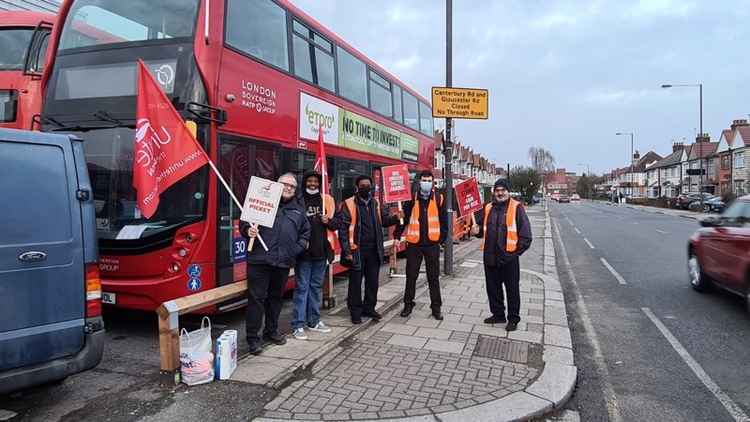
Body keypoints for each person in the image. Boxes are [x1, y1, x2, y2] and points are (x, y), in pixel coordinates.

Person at [240, 173, 310, 354]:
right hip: (259, 261)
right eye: (284, 184)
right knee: (256, 300)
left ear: (295, 190)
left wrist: (295, 250)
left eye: (292, 186)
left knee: (275, 299)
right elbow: (244, 224)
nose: (288, 188)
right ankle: (253, 339)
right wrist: (249, 230)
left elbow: (305, 234)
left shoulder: (299, 210)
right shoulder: (262, 202)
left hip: (283, 262)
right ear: (276, 185)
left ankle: (271, 331)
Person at [337, 175, 403, 324]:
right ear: (357, 188)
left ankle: (369, 308)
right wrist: (346, 251)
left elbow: (385, 221)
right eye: (363, 186)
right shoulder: (348, 204)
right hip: (356, 250)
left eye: (368, 185)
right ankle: (355, 312)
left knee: (373, 282)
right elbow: (343, 229)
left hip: (374, 250)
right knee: (355, 283)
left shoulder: (376, 203)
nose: (366, 188)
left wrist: (396, 218)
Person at [471, 178, 532, 331]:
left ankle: (513, 319)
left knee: (512, 290)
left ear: (508, 191)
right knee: (493, 288)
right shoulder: (488, 207)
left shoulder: (517, 207)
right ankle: (498, 314)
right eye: (497, 190)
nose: (500, 193)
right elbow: (481, 230)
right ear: (494, 192)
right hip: (490, 257)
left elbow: (526, 236)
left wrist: (514, 254)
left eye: (503, 190)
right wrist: (475, 231)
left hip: (509, 258)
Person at [291, 170, 340, 340]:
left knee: (315, 288)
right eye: (309, 181)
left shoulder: (327, 200)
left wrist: (330, 221)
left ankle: (314, 321)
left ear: (320, 183)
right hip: (303, 254)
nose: (313, 184)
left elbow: (337, 224)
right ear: (304, 183)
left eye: (315, 181)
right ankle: (298, 325)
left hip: (321, 253)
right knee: (302, 289)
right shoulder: (297, 201)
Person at [393, 170, 447, 320]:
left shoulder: (438, 198)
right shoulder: (411, 199)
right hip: (414, 244)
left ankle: (436, 308)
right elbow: (402, 220)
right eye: (424, 180)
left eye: (429, 181)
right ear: (419, 182)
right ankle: (408, 305)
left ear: (433, 183)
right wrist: (397, 236)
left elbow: (444, 223)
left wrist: (440, 240)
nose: (426, 183)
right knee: (411, 276)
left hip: (432, 245)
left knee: (433, 278)